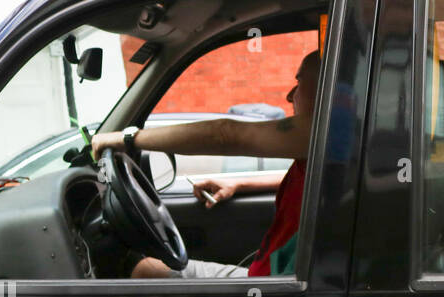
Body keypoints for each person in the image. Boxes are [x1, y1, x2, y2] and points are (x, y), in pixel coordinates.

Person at [91, 50, 320, 278]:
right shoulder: (332, 150)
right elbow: (310, 179)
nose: (290, 96)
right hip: (274, 281)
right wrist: (240, 184)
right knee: (146, 270)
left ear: (326, 88)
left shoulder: (326, 130)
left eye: (299, 81)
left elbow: (225, 135)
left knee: (141, 272)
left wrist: (128, 138)